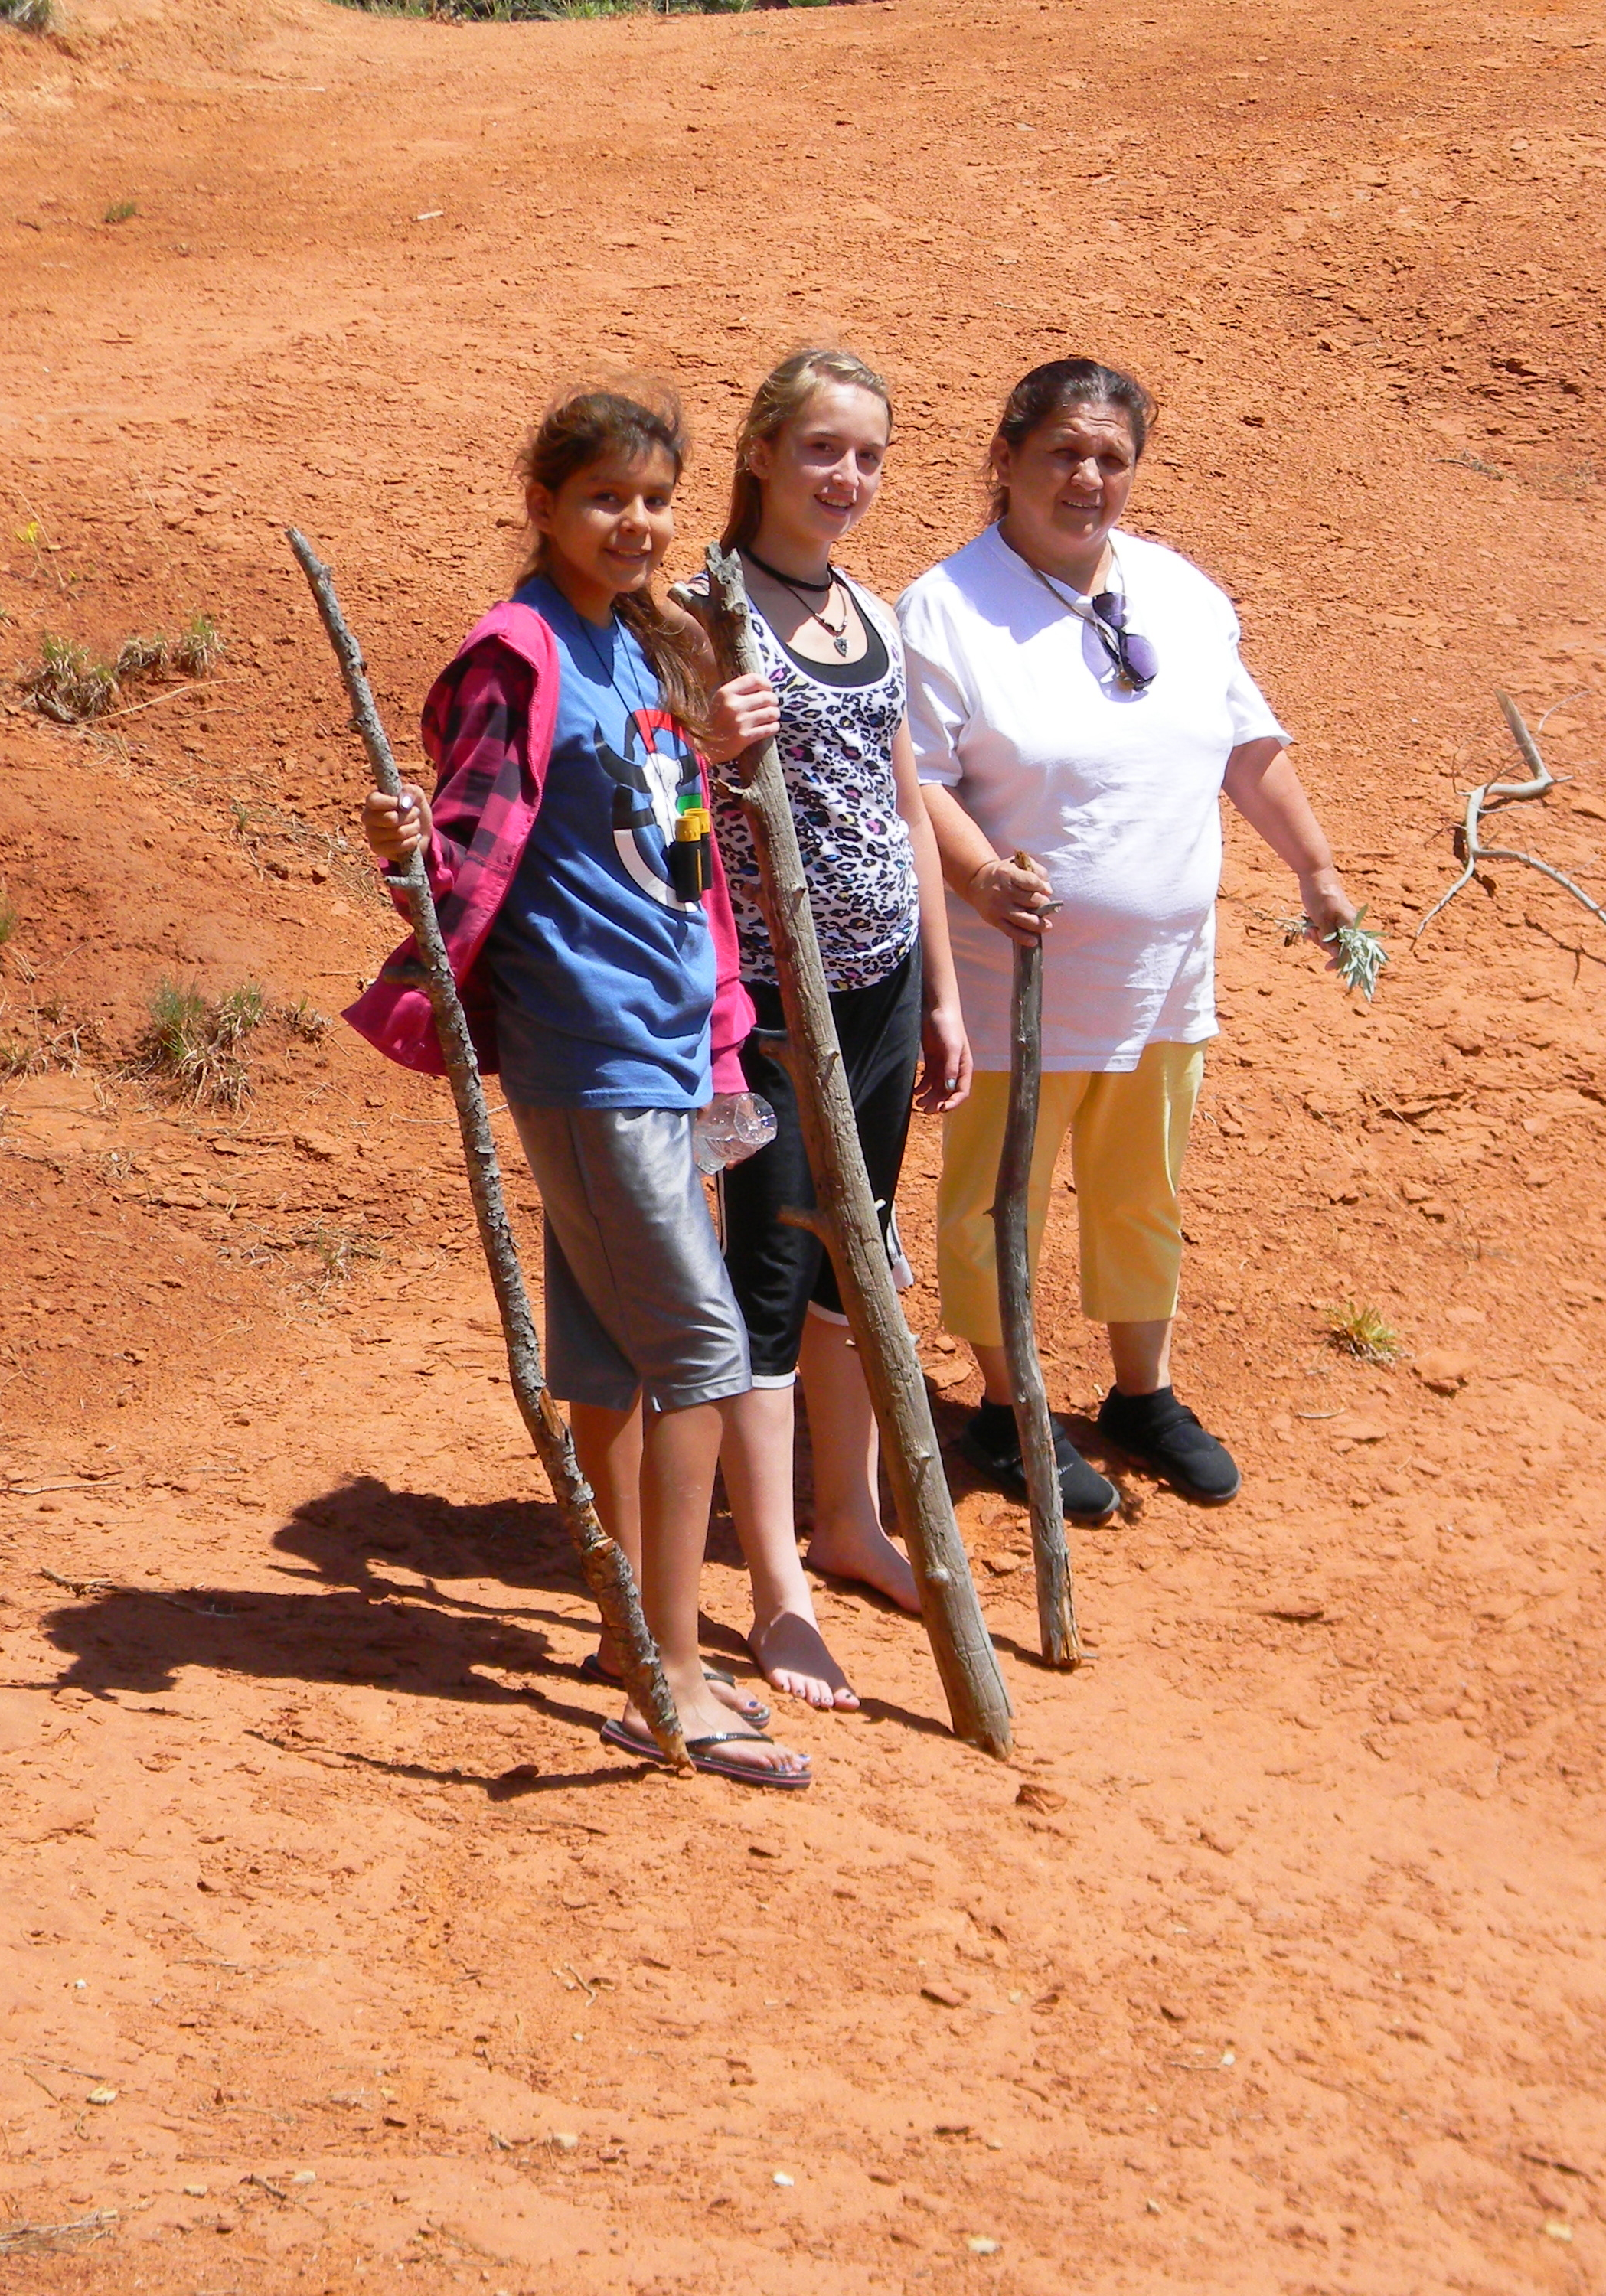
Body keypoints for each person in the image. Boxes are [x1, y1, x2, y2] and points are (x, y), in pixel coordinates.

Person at [345, 382, 809, 1790]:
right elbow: (467, 839)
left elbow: (667, 852)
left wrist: (716, 747)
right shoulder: (520, 656)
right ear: (542, 504)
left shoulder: (644, 647)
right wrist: (401, 851)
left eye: (657, 500)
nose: (637, 522)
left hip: (666, 1044)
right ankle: (668, 1676)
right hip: (590, 1053)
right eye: (606, 496)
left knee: (613, 1358)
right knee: (702, 1357)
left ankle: (630, 1633)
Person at [899, 356, 1357, 1515]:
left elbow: (1246, 745)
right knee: (999, 1202)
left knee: (1140, 1187)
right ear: (1004, 461)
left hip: (1162, 977)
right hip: (1020, 983)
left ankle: (1139, 1394)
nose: (1088, 476)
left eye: (1111, 456)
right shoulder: (945, 612)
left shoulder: (1182, 594)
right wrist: (985, 874)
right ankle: (1009, 1409)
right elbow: (921, 783)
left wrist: (1315, 869)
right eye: (1062, 452)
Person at [681, 348, 974, 1714]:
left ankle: (850, 1522)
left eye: (867, 455)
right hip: (768, 1003)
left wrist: (947, 995)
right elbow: (669, 798)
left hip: (882, 984)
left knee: (865, 1258)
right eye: (820, 450)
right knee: (772, 1275)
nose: (845, 478)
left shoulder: (865, 607)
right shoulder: (704, 612)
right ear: (759, 454)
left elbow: (908, 801)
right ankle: (776, 1589)